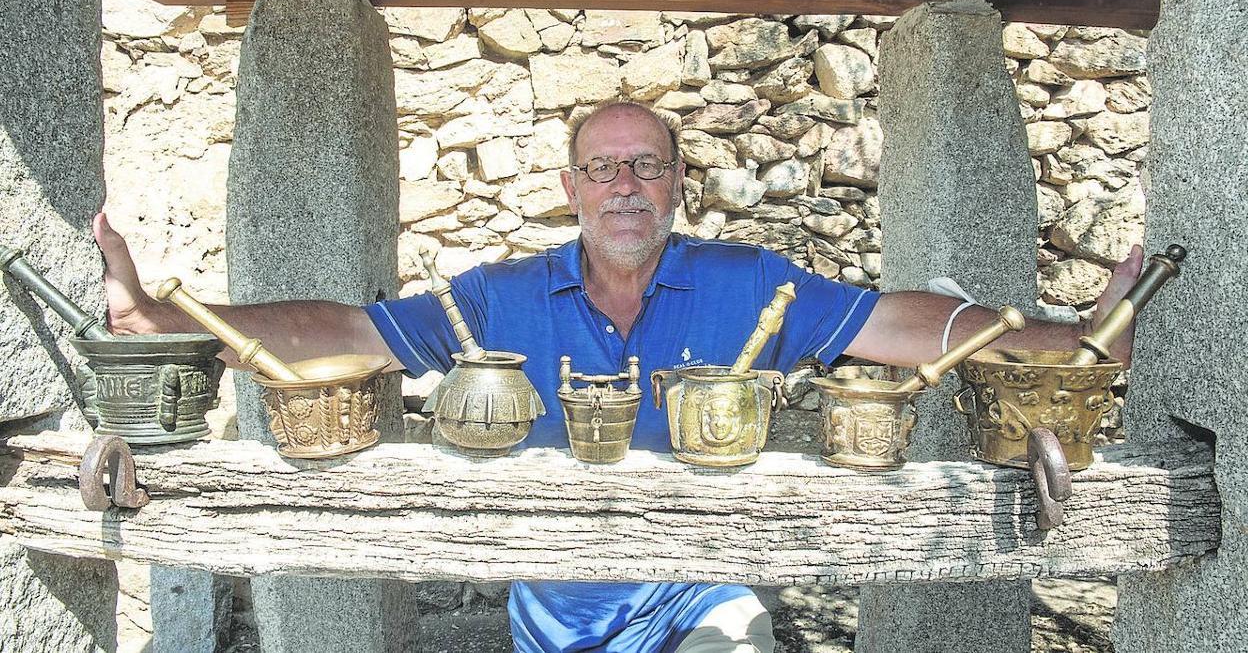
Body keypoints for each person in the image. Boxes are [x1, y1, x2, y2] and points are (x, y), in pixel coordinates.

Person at [94, 100, 1142, 653]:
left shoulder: (752, 285)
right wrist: (174, 318)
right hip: (553, 616)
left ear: (679, 183)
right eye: (604, 166)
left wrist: (1076, 341)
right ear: (571, 188)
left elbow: (902, 322)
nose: (626, 185)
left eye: (647, 165)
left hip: (697, 594)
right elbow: (349, 329)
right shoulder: (502, 297)